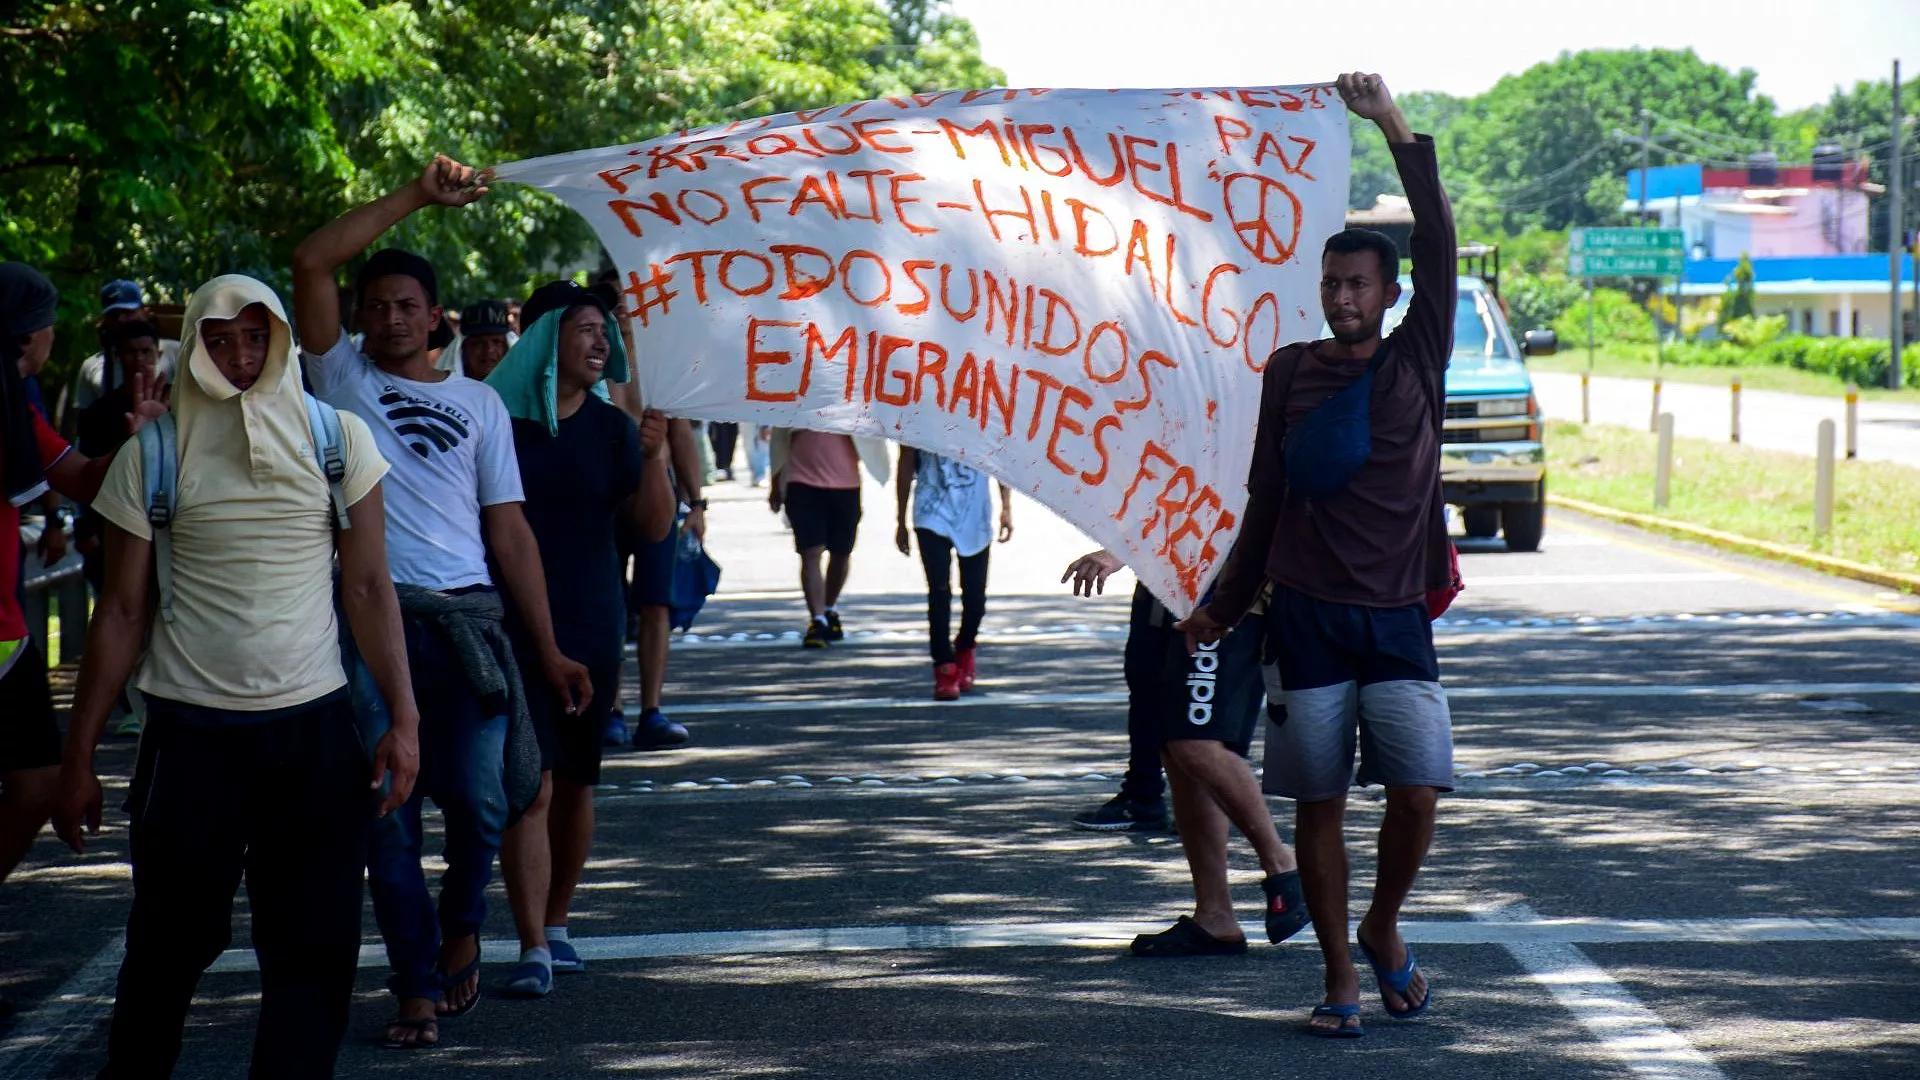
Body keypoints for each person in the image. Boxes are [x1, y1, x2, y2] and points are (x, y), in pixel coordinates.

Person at [50, 274, 422, 1079]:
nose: (240, 356)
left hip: (315, 730)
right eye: (219, 340)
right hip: (191, 735)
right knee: (167, 946)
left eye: (256, 337)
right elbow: (118, 613)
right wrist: (77, 758)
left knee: (315, 949)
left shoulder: (338, 440)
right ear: (195, 346)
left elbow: (368, 588)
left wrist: (404, 718)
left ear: (281, 340)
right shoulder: (152, 452)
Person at [291, 154, 592, 1049]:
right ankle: (416, 983)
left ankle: (464, 923)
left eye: (405, 307)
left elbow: (510, 536)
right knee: (387, 810)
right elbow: (311, 263)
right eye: (374, 306)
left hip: (471, 627)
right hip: (374, 630)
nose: (387, 319)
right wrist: (417, 195)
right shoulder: (339, 381)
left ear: (436, 321)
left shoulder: (481, 407)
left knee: (483, 801)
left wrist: (547, 649)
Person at [1178, 73, 1455, 1038]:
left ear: (1389, 294)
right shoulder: (1288, 371)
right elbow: (1264, 500)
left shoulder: (1419, 353)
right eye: (1331, 282)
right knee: (1323, 800)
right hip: (1306, 614)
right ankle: (1339, 974)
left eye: (1359, 283)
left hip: (1393, 616)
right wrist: (1223, 601)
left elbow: (1439, 234)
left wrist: (1390, 123)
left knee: (1418, 792)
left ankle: (1383, 926)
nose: (1342, 295)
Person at [488, 279, 675, 997]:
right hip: (512, 626)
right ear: (542, 342)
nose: (603, 342)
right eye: (585, 329)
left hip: (595, 625)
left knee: (576, 782)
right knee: (527, 785)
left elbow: (652, 526)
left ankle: (558, 923)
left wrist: (654, 456)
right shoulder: (495, 423)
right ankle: (531, 942)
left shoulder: (613, 430)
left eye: (606, 330)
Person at [1061, 549, 1310, 961]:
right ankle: (1215, 916)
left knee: (1196, 743)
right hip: (1167, 590)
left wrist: (1121, 550)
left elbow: (1232, 508)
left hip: (1228, 596)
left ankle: (1284, 866)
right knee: (1176, 750)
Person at [1, 262, 164, 883]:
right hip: (6, 632)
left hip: (8, 637)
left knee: (39, 785)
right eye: (48, 326)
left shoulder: (19, 404)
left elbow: (85, 480)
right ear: (28, 334)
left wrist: (141, 440)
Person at [74, 318, 170, 737]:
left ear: (158, 354)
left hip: (171, 538)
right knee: (121, 612)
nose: (139, 360)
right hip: (117, 531)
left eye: (147, 352)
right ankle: (132, 704)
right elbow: (85, 477)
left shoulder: (188, 403)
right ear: (117, 358)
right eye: (131, 353)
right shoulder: (98, 413)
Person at [893, 447, 1011, 700]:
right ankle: (943, 664)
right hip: (930, 512)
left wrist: (1006, 507)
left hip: (974, 515)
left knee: (975, 597)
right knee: (939, 591)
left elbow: (1000, 455)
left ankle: (966, 646)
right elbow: (905, 461)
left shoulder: (986, 411)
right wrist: (900, 519)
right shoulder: (917, 412)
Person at [769, 428, 886, 647]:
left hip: (846, 485)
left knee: (841, 552)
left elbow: (873, 427)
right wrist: (776, 482)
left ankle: (829, 609)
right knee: (810, 553)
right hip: (801, 483)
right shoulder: (795, 395)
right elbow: (779, 439)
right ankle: (818, 619)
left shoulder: (853, 396)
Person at [66, 279, 181, 427]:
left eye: (127, 312)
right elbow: (83, 423)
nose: (121, 319)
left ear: (144, 312)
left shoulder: (175, 352)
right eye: (114, 315)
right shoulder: (91, 367)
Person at [435, 299, 515, 380]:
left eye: (496, 342)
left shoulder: (522, 390)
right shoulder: (444, 391)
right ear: (463, 349)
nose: (489, 350)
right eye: (478, 343)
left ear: (507, 346)